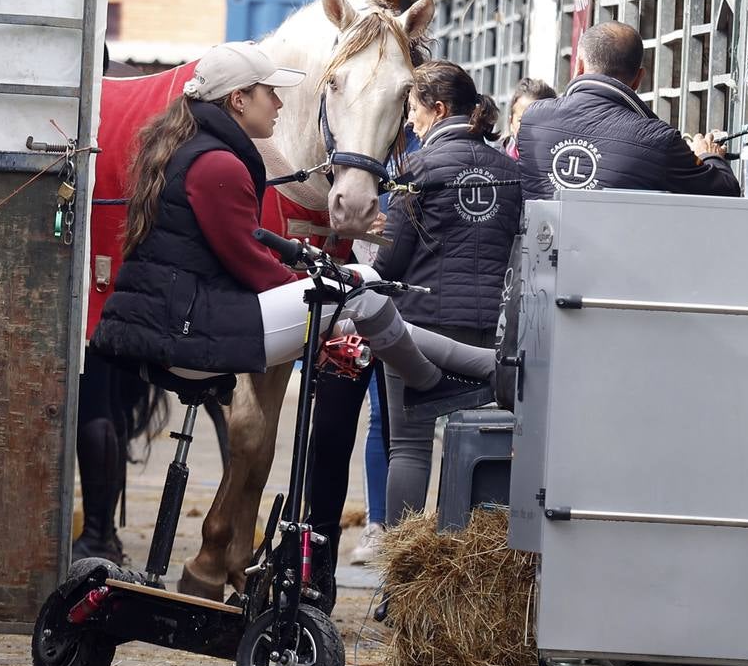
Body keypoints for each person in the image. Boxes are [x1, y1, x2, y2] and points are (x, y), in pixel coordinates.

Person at [91, 42, 497, 461]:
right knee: (360, 290)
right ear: (238, 99)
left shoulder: (196, 147)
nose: (280, 103)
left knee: (357, 298)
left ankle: (455, 372)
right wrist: (313, 284)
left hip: (186, 318)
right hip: (193, 329)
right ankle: (454, 374)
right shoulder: (219, 164)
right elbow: (252, 267)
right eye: (271, 93)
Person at [372, 60, 522, 541]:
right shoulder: (510, 170)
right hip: (488, 333)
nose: (410, 122)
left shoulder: (415, 167)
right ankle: (466, 568)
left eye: (413, 110)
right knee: (479, 447)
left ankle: (400, 575)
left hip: (421, 331)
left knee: (410, 450)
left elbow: (391, 263)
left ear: (437, 109)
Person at [517, 21, 740, 199]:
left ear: (579, 66)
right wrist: (708, 155)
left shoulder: (533, 119)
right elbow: (725, 191)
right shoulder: (658, 140)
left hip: (540, 248)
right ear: (638, 79)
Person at [501, 77, 556, 160]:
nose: (530, 129)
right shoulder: (495, 160)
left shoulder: (558, 164)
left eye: (538, 122)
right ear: (511, 123)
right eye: (521, 121)